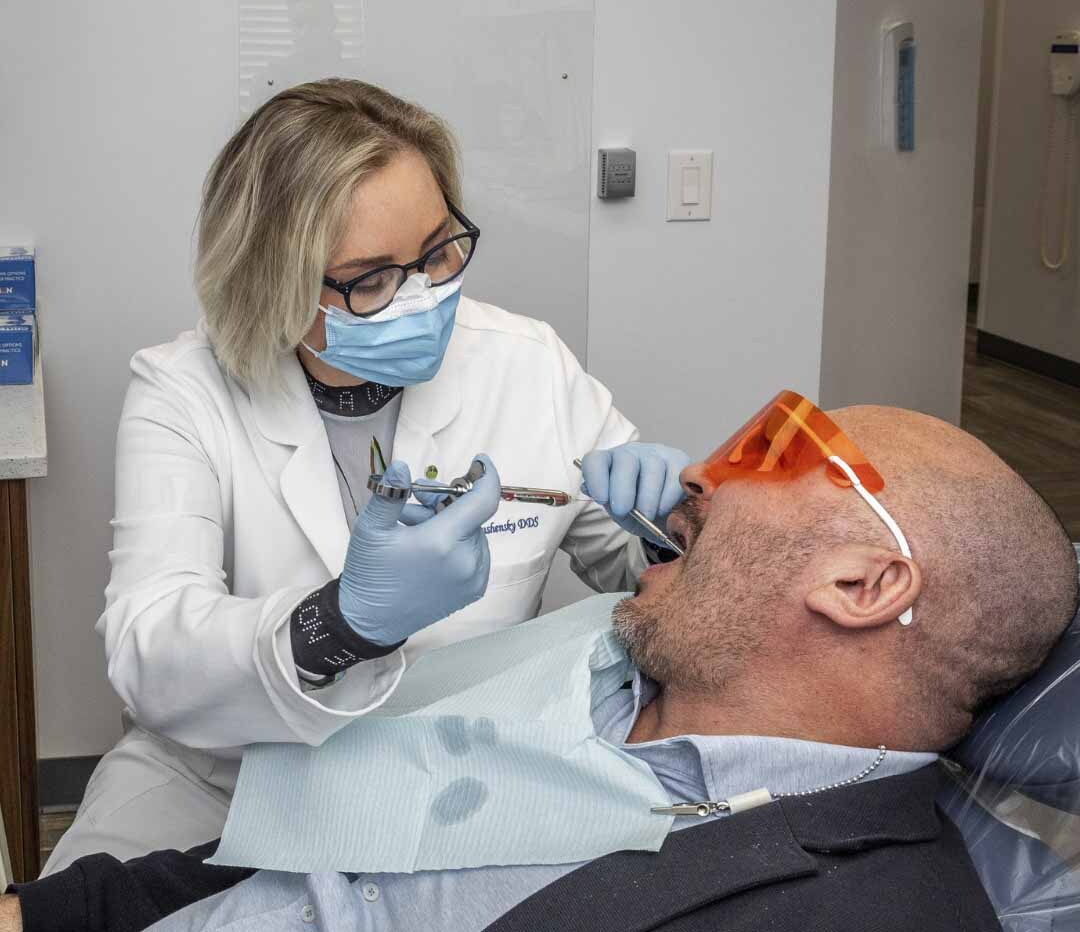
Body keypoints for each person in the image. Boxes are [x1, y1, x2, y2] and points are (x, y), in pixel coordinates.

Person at [7, 395, 1077, 932]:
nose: (701, 473)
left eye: (774, 450)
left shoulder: (867, 909)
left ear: (863, 583)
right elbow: (298, 852)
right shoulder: (602, 667)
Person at [42, 77, 690, 874]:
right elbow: (150, 652)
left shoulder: (527, 364)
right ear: (272, 280)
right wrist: (340, 624)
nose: (425, 296)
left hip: (456, 764)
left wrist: (667, 529)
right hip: (223, 774)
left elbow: (635, 571)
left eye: (439, 251)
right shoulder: (182, 391)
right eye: (371, 279)